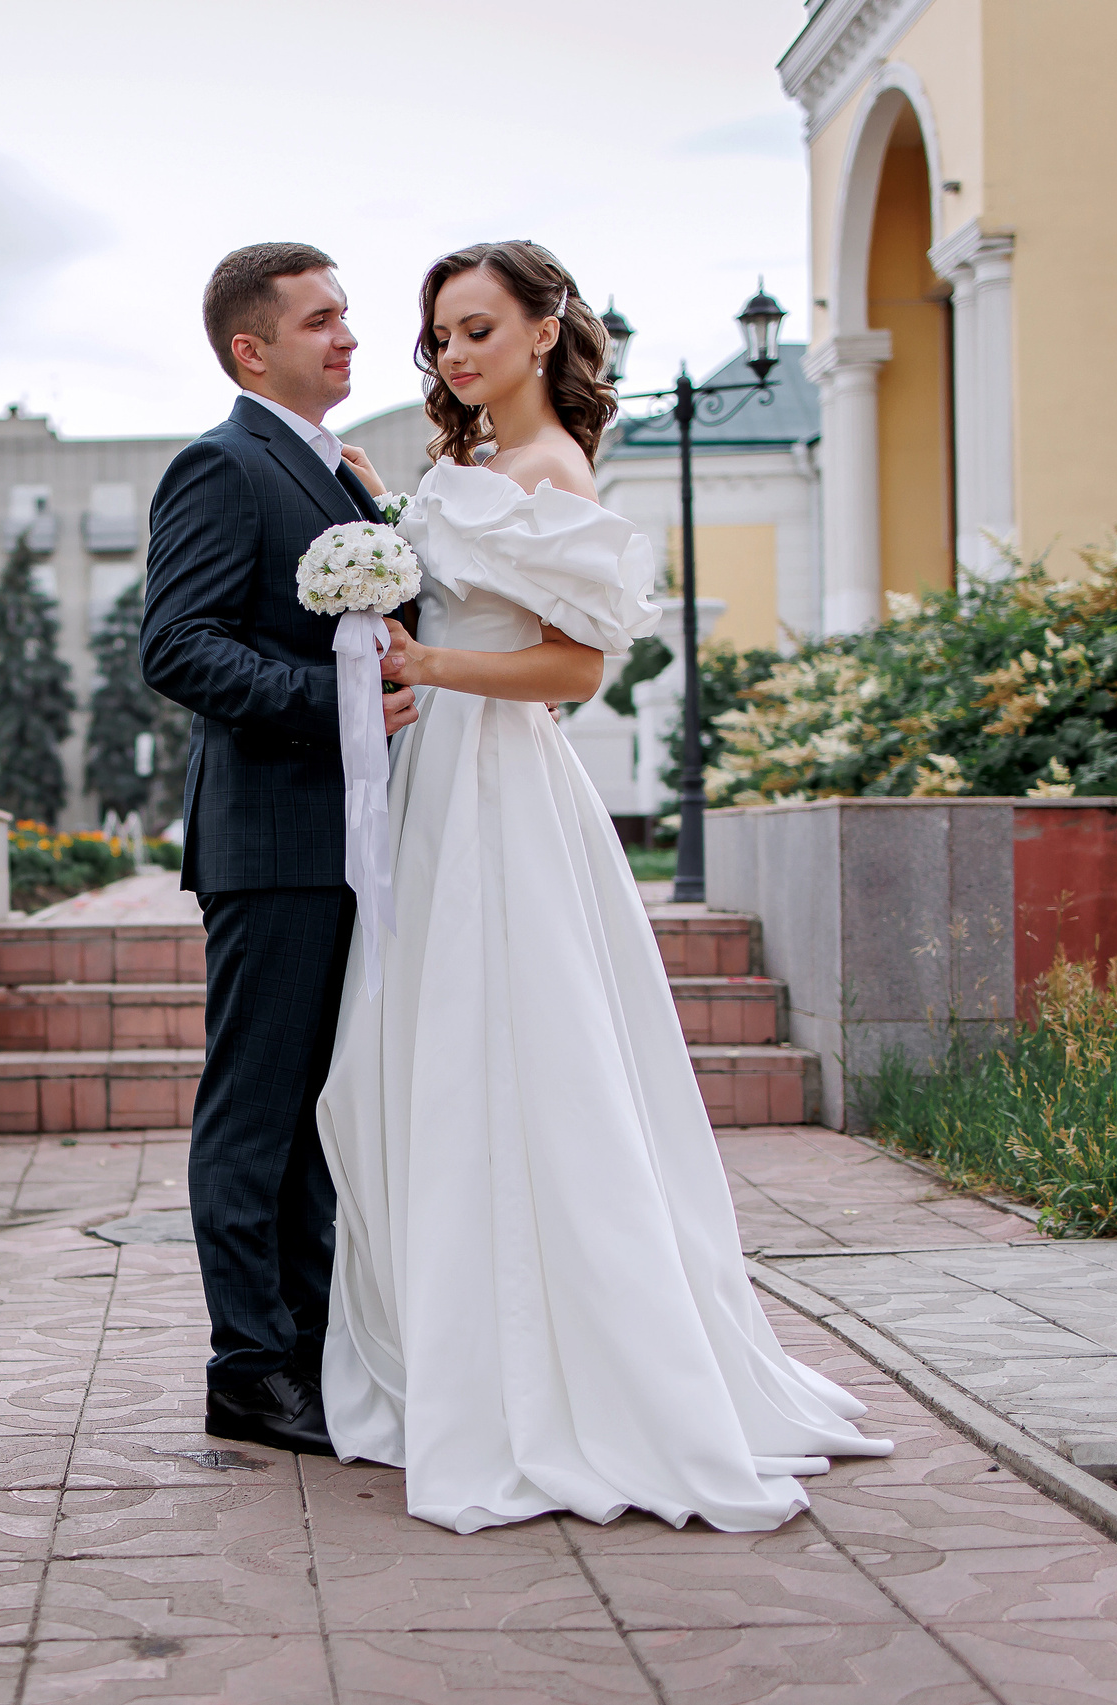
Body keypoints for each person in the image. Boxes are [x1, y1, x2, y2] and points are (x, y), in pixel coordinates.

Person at [316, 240, 892, 1534]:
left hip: (502, 784)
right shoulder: (471, 463)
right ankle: (450, 1343)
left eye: (478, 329)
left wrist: (429, 665)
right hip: (436, 781)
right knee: (416, 1055)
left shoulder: (556, 471)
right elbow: (456, 580)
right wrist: (385, 518)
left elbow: (574, 669)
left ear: (542, 331)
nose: (455, 354)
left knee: (521, 1054)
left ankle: (568, 1370)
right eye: (441, 335)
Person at [139, 243, 415, 1458]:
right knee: (257, 1112)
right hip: (274, 839)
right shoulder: (223, 464)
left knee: (319, 1113)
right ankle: (248, 1369)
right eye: (319, 320)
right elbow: (177, 645)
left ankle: (307, 1347)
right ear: (251, 351)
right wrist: (332, 702)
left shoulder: (334, 472)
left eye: (346, 314)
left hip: (352, 839)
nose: (347, 336)